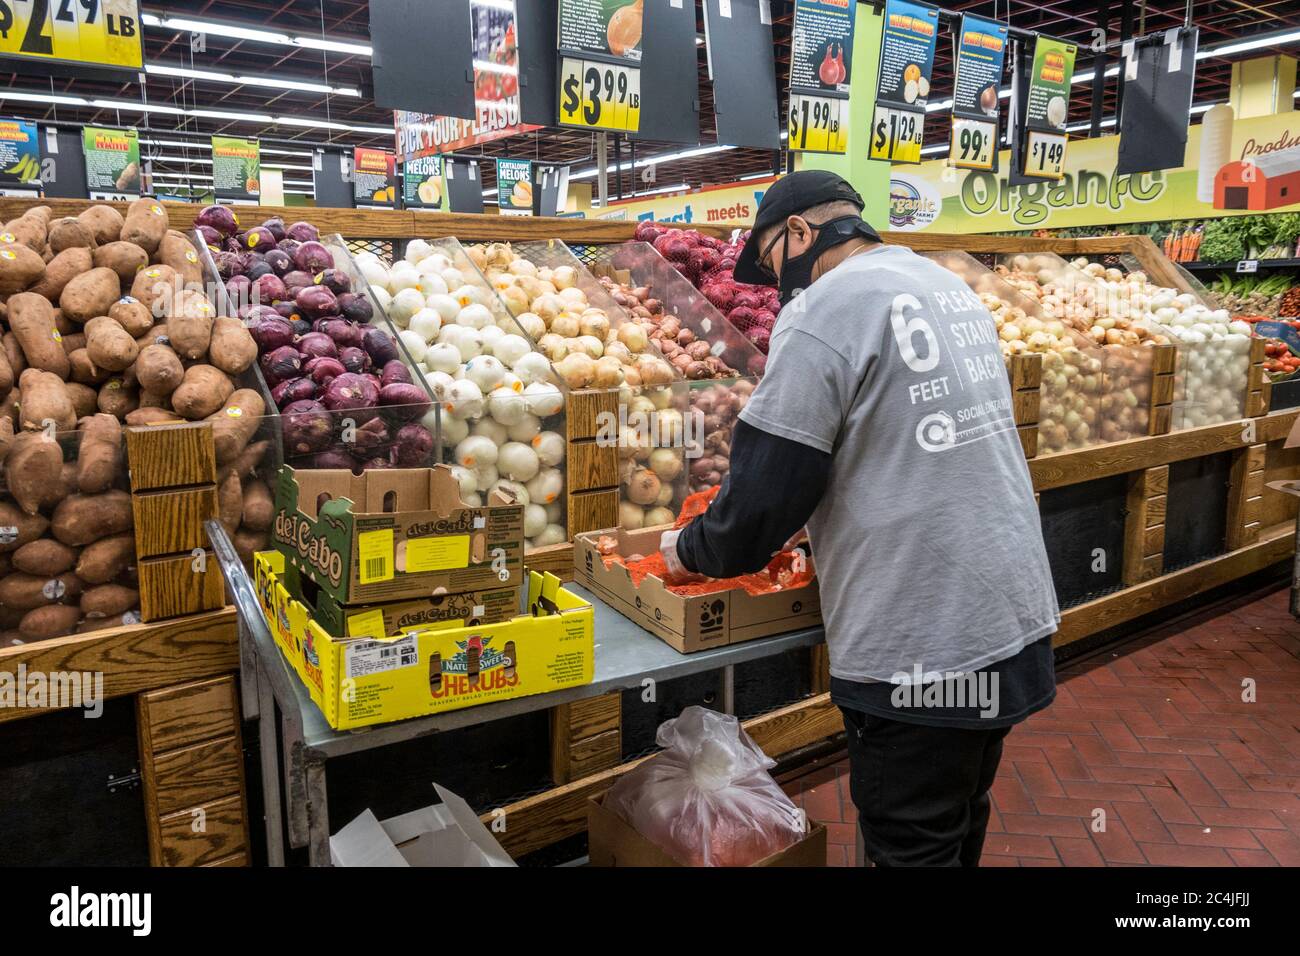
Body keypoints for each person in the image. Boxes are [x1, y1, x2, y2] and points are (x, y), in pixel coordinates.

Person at [659, 170, 1059, 867]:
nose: (781, 284)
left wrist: (684, 549)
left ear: (804, 232)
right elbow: (902, 438)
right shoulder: (942, 285)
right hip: (1009, 618)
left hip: (924, 641)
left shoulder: (825, 310)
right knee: (957, 817)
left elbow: (760, 504)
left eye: (777, 260)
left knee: (909, 844)